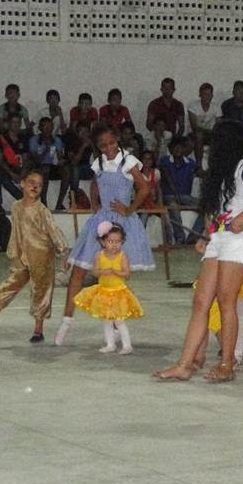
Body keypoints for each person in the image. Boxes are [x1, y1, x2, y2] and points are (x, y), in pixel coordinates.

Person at [152, 118, 243, 383]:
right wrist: (208, 238)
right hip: (219, 238)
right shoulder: (217, 169)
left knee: (226, 302)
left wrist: (241, 219)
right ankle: (184, 365)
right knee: (200, 302)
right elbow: (215, 209)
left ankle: (227, 364)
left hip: (240, 240)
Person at [55, 124, 156, 345]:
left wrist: (129, 209)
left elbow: (145, 187)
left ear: (117, 140)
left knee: (114, 275)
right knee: (78, 272)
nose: (108, 148)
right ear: (97, 147)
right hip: (101, 220)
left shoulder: (128, 161)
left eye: (111, 143)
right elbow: (94, 184)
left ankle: (115, 323)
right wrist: (95, 207)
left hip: (121, 224)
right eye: (103, 145)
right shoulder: (98, 162)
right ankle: (66, 321)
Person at [0, 170, 68, 343]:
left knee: (40, 291)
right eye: (31, 182)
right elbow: (16, 231)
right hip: (23, 255)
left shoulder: (42, 210)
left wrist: (63, 251)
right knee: (11, 283)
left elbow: (54, 231)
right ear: (22, 183)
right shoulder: (16, 206)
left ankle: (38, 330)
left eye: (39, 185)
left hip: (42, 256)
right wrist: (13, 251)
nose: (35, 186)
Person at [74, 222, 144, 354]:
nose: (114, 245)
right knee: (106, 320)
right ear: (103, 241)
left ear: (122, 242)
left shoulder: (122, 256)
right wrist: (101, 272)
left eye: (118, 242)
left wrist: (116, 272)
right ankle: (110, 344)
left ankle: (127, 345)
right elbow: (94, 272)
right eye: (110, 241)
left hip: (118, 292)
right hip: (104, 292)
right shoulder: (99, 255)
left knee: (119, 321)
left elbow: (127, 274)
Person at [159, 135, 204, 244]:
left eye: (180, 147)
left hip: (185, 197)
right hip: (169, 196)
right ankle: (180, 239)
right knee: (173, 207)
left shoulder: (190, 163)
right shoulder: (165, 161)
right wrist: (176, 194)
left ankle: (193, 237)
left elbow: (200, 172)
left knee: (207, 207)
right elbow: (167, 176)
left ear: (184, 149)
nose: (178, 149)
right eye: (175, 147)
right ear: (170, 149)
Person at [28, 117, 66, 208]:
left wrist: (61, 160)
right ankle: (44, 202)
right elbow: (37, 160)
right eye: (45, 126)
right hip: (38, 166)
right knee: (45, 169)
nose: (48, 129)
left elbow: (60, 156)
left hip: (52, 166)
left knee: (67, 171)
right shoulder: (34, 140)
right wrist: (47, 148)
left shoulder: (56, 140)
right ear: (40, 128)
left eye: (50, 126)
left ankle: (59, 203)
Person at [146, 77, 185, 154]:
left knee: (187, 144)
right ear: (161, 89)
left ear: (174, 90)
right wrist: (159, 134)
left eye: (169, 88)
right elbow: (149, 124)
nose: (167, 90)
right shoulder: (154, 104)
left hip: (172, 136)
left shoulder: (178, 105)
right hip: (157, 135)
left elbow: (181, 125)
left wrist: (176, 138)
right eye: (165, 88)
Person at [187, 82, 220, 162]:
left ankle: (214, 166)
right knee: (199, 135)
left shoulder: (216, 107)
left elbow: (219, 125)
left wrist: (213, 132)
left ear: (212, 96)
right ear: (200, 95)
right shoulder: (193, 106)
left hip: (210, 134)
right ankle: (199, 165)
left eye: (209, 94)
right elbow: (194, 127)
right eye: (205, 94)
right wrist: (210, 131)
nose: (207, 97)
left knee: (220, 137)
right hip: (194, 134)